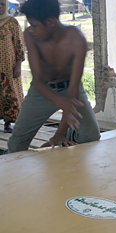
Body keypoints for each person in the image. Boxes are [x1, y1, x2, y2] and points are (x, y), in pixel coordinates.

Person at [7, 0, 100, 153]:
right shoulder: (31, 36)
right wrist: (61, 103)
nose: (32, 30)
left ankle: (70, 136)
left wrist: (61, 133)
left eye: (35, 25)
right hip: (42, 90)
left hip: (71, 89)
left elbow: (74, 89)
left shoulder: (76, 39)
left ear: (50, 22)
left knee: (91, 136)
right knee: (16, 143)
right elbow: (37, 79)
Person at [0, 0, 25, 133]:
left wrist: (18, 65)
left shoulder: (12, 23)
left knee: (9, 91)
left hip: (8, 66)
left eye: (2, 4)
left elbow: (19, 44)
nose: (0, 7)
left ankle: (8, 123)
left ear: (7, 6)